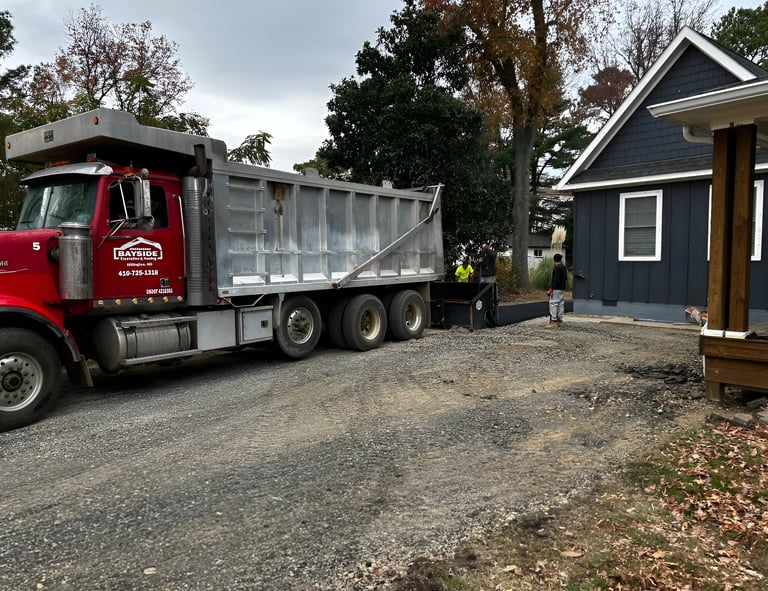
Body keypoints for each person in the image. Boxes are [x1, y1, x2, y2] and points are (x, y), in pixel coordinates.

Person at [546, 253, 567, 328]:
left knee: (553, 303)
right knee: (561, 303)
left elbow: (556, 279)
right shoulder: (563, 267)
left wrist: (552, 288)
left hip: (556, 288)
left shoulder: (557, 267)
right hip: (562, 288)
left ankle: (554, 321)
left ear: (554, 259)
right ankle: (560, 320)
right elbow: (565, 278)